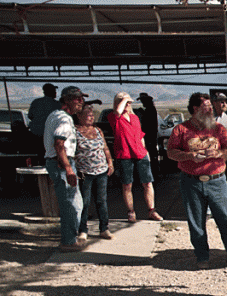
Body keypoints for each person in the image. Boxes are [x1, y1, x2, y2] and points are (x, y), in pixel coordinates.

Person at [166, 92, 227, 268]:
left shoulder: (218, 129)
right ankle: (202, 257)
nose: (211, 110)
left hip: (216, 181)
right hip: (191, 182)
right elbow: (170, 152)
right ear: (195, 109)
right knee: (196, 221)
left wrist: (219, 153)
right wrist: (189, 156)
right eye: (207, 107)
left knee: (225, 220)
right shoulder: (181, 130)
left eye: (211, 107)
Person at [43, 86, 86, 251]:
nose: (81, 102)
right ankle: (68, 241)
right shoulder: (64, 119)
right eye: (77, 99)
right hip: (61, 162)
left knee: (74, 202)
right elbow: (59, 144)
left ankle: (71, 237)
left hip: (58, 161)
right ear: (67, 100)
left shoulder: (54, 115)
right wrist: (68, 169)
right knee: (71, 204)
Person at [109, 92, 162, 223]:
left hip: (140, 153)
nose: (127, 104)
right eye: (124, 102)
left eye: (128, 102)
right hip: (124, 154)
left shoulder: (135, 118)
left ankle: (152, 210)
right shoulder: (114, 117)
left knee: (148, 183)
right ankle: (131, 211)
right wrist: (124, 99)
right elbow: (117, 111)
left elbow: (140, 136)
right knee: (127, 185)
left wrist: (146, 152)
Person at [74, 104, 114, 240]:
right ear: (79, 116)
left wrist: (110, 162)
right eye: (88, 114)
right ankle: (82, 230)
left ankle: (104, 228)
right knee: (84, 201)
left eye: (92, 114)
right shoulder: (75, 131)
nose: (91, 117)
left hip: (101, 170)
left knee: (101, 200)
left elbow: (105, 147)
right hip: (84, 171)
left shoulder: (97, 130)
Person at [28, 83, 61, 154]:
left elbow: (30, 116)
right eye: (54, 91)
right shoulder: (57, 104)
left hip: (36, 134)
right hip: (51, 136)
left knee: (39, 154)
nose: (55, 92)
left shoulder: (36, 102)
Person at [137, 92, 160, 166]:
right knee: (152, 153)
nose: (142, 102)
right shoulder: (150, 109)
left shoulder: (150, 110)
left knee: (152, 153)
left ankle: (154, 169)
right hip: (150, 135)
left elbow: (149, 123)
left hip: (150, 135)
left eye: (143, 100)